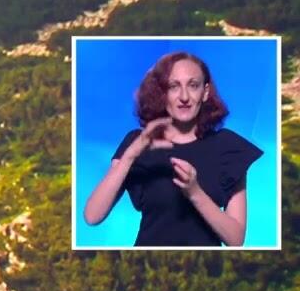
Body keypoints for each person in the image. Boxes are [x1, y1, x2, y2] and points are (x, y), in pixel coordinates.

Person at [83, 50, 262, 247]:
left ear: (205, 92)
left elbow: (236, 240)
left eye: (193, 85)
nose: (184, 96)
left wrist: (194, 192)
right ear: (162, 93)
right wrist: (129, 156)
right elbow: (92, 216)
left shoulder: (228, 147)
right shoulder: (137, 142)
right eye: (173, 86)